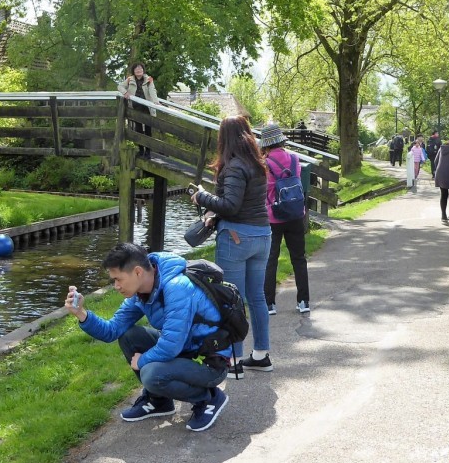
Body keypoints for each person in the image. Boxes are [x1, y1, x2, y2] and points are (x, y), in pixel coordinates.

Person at [64, 243, 231, 432]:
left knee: (152, 374)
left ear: (137, 272)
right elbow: (111, 331)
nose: (116, 286)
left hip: (210, 364)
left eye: (118, 279)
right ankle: (159, 401)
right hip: (186, 352)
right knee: (128, 336)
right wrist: (81, 314)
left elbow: (170, 346)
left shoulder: (177, 288)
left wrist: (143, 360)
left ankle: (209, 398)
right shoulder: (140, 293)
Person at [191, 116, 271, 379]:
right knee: (256, 297)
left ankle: (234, 360)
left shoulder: (234, 166)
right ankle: (261, 354)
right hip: (262, 235)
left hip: (237, 238)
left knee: (231, 300)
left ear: (224, 138)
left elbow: (231, 206)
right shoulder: (257, 164)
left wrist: (201, 195)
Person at [258, 123, 311, 317]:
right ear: (281, 141)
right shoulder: (294, 160)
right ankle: (304, 301)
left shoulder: (264, 164)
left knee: (271, 260)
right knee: (299, 258)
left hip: (273, 216)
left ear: (266, 144)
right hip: (296, 214)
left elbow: (263, 190)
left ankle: (270, 303)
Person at [118, 63, 159, 158]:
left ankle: (148, 152)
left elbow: (152, 91)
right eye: (136, 69)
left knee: (148, 130)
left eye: (140, 68)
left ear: (143, 70)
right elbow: (120, 86)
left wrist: (156, 102)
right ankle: (141, 150)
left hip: (147, 107)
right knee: (139, 129)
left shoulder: (148, 79)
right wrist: (125, 92)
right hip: (136, 107)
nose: (138, 70)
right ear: (134, 71)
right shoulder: (130, 79)